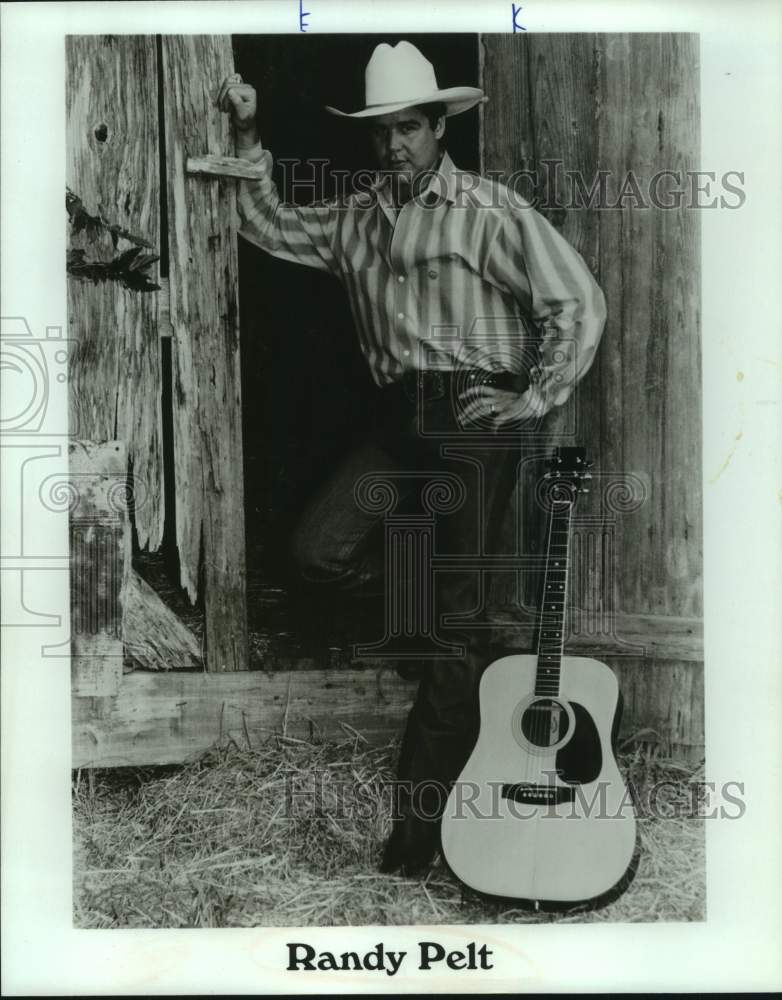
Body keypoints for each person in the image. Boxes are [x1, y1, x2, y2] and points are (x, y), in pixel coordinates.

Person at [218, 40, 606, 875]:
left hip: (473, 415)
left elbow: (575, 300)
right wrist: (248, 139)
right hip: (399, 416)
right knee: (315, 553)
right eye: (382, 132)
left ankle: (419, 834)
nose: (395, 145)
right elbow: (270, 224)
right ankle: (432, 629)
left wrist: (530, 397)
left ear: (439, 128)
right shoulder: (358, 214)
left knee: (461, 626)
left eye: (410, 129)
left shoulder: (486, 209)